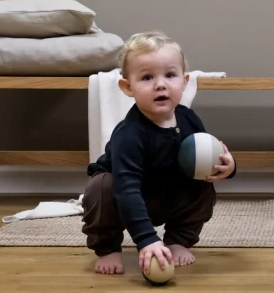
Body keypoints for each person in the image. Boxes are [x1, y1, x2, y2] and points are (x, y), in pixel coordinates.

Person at [81, 31, 236, 275]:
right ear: (127, 87)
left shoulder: (189, 119)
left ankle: (178, 239)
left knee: (202, 181)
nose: (160, 84)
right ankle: (108, 247)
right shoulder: (129, 134)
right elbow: (127, 189)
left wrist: (228, 167)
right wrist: (147, 240)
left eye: (170, 75)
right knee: (102, 186)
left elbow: (209, 156)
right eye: (147, 77)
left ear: (184, 82)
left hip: (170, 192)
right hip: (125, 197)